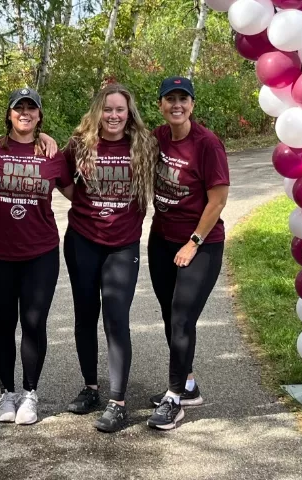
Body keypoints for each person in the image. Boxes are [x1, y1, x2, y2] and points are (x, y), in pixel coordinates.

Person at [63, 83, 158, 433]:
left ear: (129, 112)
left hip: (122, 245)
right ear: (98, 112)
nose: (113, 115)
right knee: (85, 316)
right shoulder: (79, 144)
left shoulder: (145, 144)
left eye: (120, 109)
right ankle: (91, 388)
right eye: (107, 109)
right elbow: (63, 179)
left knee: (116, 319)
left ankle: (118, 403)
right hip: (82, 240)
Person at [0, 88, 74, 426]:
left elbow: (76, 194)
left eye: (32, 108)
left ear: (39, 115)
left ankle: (30, 393)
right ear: (9, 114)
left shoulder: (52, 155)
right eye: (19, 107)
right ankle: (7, 393)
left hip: (40, 252)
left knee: (34, 323)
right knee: (3, 323)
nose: (25, 112)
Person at [145, 76, 230, 430]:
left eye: (183, 99)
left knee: (182, 318)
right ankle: (189, 385)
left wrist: (193, 243)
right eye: (170, 99)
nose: (176, 105)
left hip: (201, 244)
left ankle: (174, 398)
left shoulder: (207, 144)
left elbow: (218, 200)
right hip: (161, 240)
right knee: (170, 315)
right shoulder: (157, 137)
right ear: (161, 105)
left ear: (192, 105)